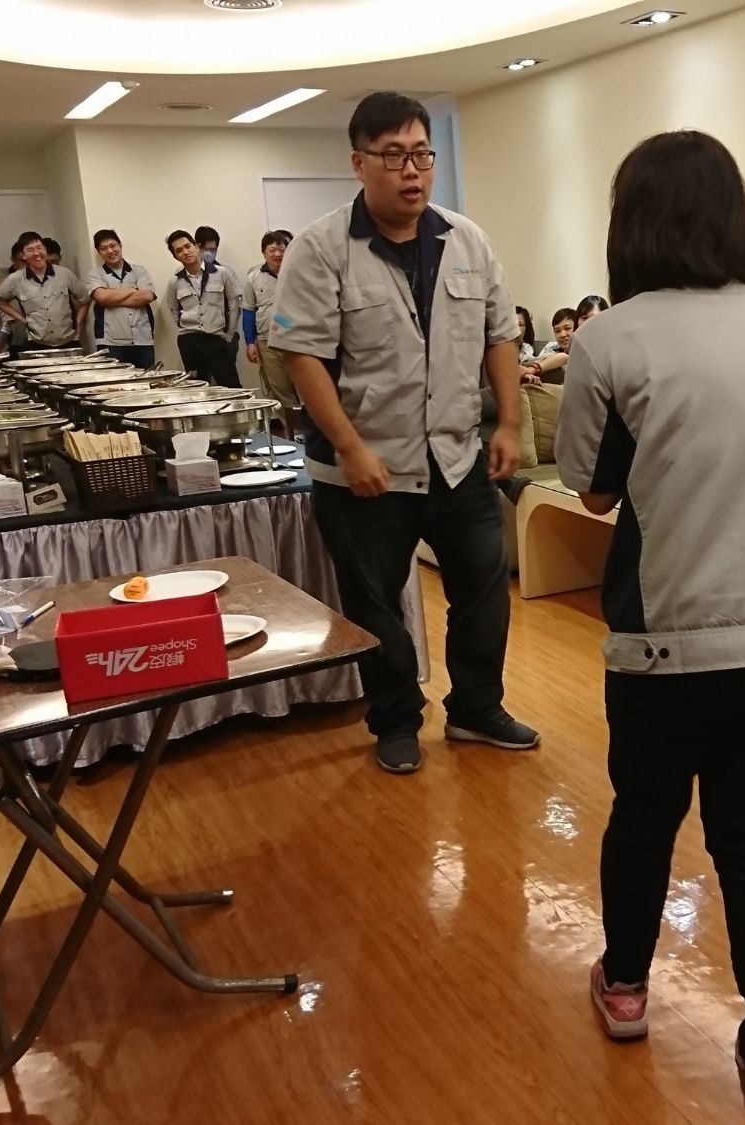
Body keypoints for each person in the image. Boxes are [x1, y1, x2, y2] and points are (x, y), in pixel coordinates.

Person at [556, 129, 745, 1125]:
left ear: (629, 223)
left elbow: (590, 490)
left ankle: (627, 988)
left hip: (666, 640)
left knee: (644, 814)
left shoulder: (609, 339)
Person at [271, 90, 539, 775]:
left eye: (422, 153)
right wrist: (351, 447)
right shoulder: (320, 248)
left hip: (456, 457)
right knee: (374, 604)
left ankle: (476, 708)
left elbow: (500, 335)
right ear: (359, 163)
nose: (412, 170)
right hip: (365, 469)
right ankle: (395, 720)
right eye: (393, 156)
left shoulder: (467, 240)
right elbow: (301, 355)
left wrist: (509, 423)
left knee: (481, 593)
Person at [165, 228, 249, 388]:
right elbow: (174, 310)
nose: (185, 252)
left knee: (230, 386)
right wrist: (186, 328)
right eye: (179, 250)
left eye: (188, 246)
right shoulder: (175, 281)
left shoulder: (222, 273)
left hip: (216, 337)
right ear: (175, 256)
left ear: (196, 246)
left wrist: (229, 336)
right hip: (189, 340)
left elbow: (234, 305)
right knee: (197, 387)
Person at [0, 231, 90, 352]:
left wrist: (78, 323)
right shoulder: (15, 279)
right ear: (23, 255)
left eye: (39, 248)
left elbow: (85, 299)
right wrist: (21, 319)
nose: (36, 253)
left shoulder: (64, 273)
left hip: (68, 341)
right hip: (36, 343)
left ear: (45, 250)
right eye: (30, 250)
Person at [86, 229, 158, 368]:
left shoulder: (139, 270)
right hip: (110, 342)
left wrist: (112, 299)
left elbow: (147, 296)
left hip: (142, 340)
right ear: (99, 252)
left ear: (120, 245)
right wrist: (132, 290)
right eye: (104, 248)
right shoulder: (95, 274)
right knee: (114, 380)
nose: (110, 251)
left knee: (146, 378)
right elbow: (102, 297)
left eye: (113, 245)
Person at [246, 230, 294, 411]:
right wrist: (250, 343)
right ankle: (292, 427)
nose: (277, 254)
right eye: (272, 250)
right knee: (279, 389)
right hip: (268, 342)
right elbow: (248, 311)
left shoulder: (298, 272)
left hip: (298, 340)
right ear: (263, 252)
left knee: (307, 387)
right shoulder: (253, 277)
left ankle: (311, 426)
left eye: (282, 250)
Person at [524, 307, 579, 383]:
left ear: (577, 328)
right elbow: (535, 360)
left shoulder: (585, 352)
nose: (562, 335)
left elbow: (565, 357)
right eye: (557, 331)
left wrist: (531, 369)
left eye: (567, 328)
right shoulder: (551, 347)